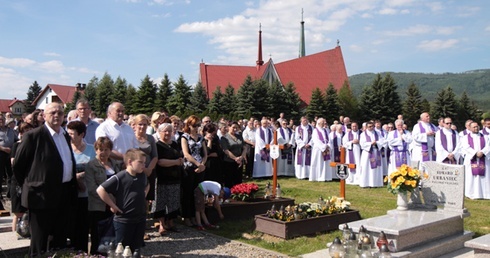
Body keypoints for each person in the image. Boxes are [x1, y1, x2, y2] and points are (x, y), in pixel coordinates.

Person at [13, 102, 77, 256]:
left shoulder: (65, 135)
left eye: (60, 113)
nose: (57, 116)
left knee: (60, 238)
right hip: (41, 195)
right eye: (53, 112)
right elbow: (18, 166)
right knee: (39, 240)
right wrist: (33, 184)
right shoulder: (33, 136)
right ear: (44, 115)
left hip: (63, 193)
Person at [97, 149, 149, 252]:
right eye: (140, 162)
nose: (143, 165)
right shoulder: (120, 177)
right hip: (124, 220)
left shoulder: (142, 176)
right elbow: (100, 189)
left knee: (136, 248)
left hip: (140, 218)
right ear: (130, 162)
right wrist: (112, 205)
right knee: (122, 249)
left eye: (144, 162)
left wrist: (144, 194)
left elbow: (147, 184)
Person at [85, 137, 120, 255]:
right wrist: (108, 200)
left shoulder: (115, 164)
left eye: (106, 149)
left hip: (113, 206)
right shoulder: (91, 165)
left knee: (111, 237)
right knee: (97, 237)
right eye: (100, 149)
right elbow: (92, 189)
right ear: (96, 150)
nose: (103, 152)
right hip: (98, 206)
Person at [66, 120, 96, 252]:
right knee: (71, 226)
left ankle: (83, 252)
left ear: (81, 134)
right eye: (68, 133)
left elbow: (96, 168)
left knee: (83, 226)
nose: (69, 136)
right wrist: (75, 178)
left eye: (72, 134)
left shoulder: (91, 150)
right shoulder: (65, 149)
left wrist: (80, 175)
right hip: (70, 193)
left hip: (86, 195)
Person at [152, 123, 183, 235]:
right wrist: (175, 162)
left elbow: (180, 158)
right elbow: (161, 162)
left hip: (175, 177)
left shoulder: (174, 144)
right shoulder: (158, 145)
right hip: (162, 177)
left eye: (169, 131)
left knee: (173, 200)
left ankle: (171, 222)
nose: (167, 133)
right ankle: (161, 224)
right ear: (159, 132)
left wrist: (177, 162)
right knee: (161, 200)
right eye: (165, 131)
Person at [181, 115, 207, 227]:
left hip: (200, 167)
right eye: (194, 125)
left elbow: (205, 153)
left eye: (198, 125)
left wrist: (202, 165)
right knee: (188, 193)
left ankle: (195, 216)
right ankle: (187, 216)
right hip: (189, 167)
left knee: (198, 193)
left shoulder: (201, 138)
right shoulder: (185, 137)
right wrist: (197, 164)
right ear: (189, 125)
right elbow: (186, 154)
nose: (196, 127)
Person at [9, 122, 34, 233]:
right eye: (24, 130)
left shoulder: (35, 145)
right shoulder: (16, 145)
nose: (27, 132)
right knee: (18, 212)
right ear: (20, 133)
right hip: (18, 180)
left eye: (29, 129)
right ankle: (15, 233)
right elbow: (13, 162)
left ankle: (28, 232)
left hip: (31, 179)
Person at [461, 122, 490, 199]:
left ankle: (484, 194)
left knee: (484, 177)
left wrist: (482, 152)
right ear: (469, 128)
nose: (476, 128)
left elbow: (488, 146)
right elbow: (466, 147)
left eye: (477, 126)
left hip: (483, 158)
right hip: (471, 159)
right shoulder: (465, 137)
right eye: (474, 127)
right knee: (471, 177)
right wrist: (475, 153)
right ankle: (471, 193)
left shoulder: (485, 137)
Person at [359, 121, 386, 188]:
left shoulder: (378, 133)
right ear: (366, 127)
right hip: (367, 153)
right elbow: (362, 144)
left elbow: (382, 141)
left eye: (372, 126)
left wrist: (376, 143)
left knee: (376, 168)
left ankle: (376, 183)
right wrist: (371, 143)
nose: (371, 128)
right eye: (369, 126)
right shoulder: (363, 134)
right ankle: (366, 183)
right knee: (366, 168)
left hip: (376, 151)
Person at [220, 121, 246, 188]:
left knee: (238, 180)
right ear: (228, 127)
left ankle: (238, 194)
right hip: (229, 162)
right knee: (229, 180)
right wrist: (235, 158)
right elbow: (226, 150)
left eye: (236, 128)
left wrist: (241, 157)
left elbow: (244, 148)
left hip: (239, 161)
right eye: (233, 127)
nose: (235, 129)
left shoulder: (239, 136)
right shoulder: (224, 138)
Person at [0, 113, 17, 208]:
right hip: (1, 153)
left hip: (10, 153)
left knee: (11, 174)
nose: (1, 121)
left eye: (2, 119)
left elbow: (15, 140)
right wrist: (3, 148)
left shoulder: (10, 130)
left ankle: (10, 193)